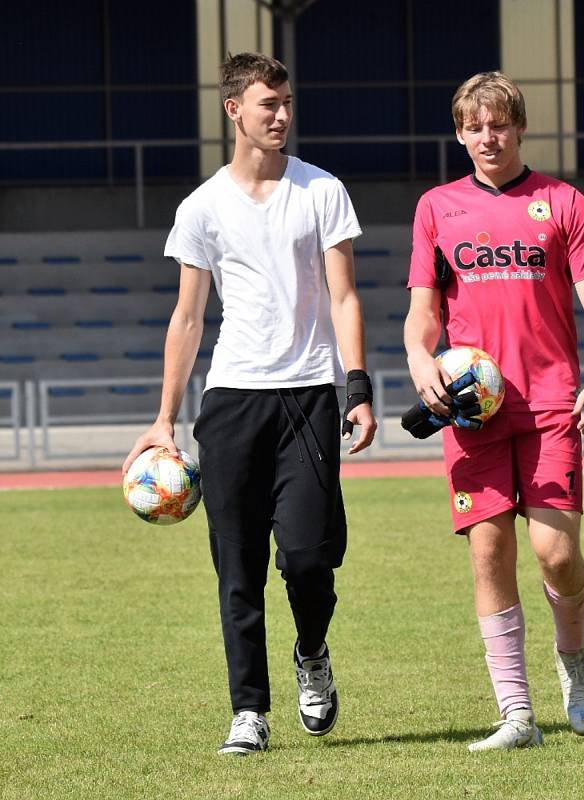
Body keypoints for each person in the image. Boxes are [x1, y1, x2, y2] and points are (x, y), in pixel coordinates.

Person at [122, 52, 376, 755]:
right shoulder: (201, 207)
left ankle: (313, 653)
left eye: (288, 102)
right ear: (234, 109)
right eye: (269, 104)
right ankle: (248, 711)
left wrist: (355, 384)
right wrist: (163, 419)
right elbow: (187, 319)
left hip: (309, 397)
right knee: (237, 566)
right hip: (232, 401)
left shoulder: (322, 190)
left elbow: (345, 296)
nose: (283, 115)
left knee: (304, 557)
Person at [403, 71, 584, 752]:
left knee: (555, 555)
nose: (486, 137)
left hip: (551, 402)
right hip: (474, 411)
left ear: (518, 127)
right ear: (459, 133)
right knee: (489, 554)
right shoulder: (436, 208)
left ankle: (574, 660)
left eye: (498, 124)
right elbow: (420, 316)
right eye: (474, 127)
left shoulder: (562, 202)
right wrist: (420, 365)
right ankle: (516, 716)